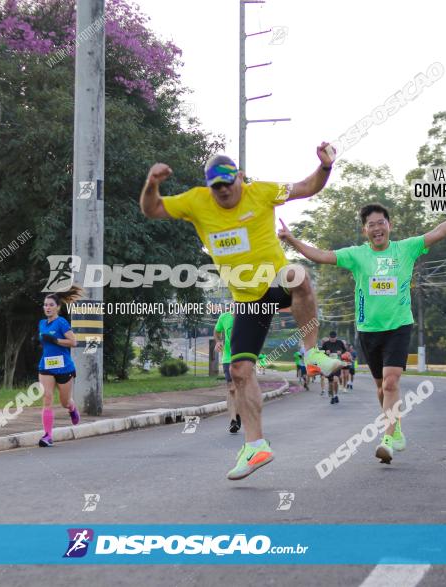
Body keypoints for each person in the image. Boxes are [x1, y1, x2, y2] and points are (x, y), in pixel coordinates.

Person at [140, 142, 343, 481]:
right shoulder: (196, 201)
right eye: (216, 187)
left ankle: (311, 353)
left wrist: (324, 167)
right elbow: (152, 209)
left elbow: (308, 187)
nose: (223, 192)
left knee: (301, 277)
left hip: (277, 281)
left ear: (240, 179)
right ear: (209, 188)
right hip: (248, 298)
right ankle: (255, 446)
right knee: (239, 371)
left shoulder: (261, 192)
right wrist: (152, 183)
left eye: (228, 184)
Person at [279, 203, 446, 464]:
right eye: (371, 225)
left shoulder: (406, 248)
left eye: (381, 222)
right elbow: (320, 255)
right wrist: (292, 240)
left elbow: (439, 232)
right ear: (365, 230)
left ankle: (387, 439)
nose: (377, 228)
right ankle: (396, 427)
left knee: (391, 383)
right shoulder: (357, 255)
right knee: (381, 388)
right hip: (369, 330)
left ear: (389, 225)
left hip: (399, 326)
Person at [37, 288, 84, 447]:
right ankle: (48, 436)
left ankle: (72, 408)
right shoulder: (42, 323)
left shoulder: (62, 322)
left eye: (51, 305)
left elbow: (73, 342)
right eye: (45, 305)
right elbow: (45, 342)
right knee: (47, 398)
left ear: (57, 307)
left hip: (64, 367)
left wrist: (56, 340)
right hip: (46, 366)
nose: (47, 308)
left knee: (64, 402)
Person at [214, 311, 241, 433]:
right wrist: (218, 341)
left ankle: (238, 412)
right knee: (231, 388)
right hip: (227, 358)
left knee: (240, 389)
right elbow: (216, 331)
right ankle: (233, 420)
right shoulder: (224, 317)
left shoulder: (248, 315)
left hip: (243, 357)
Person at [321, 331, 348, 403]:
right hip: (329, 365)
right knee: (330, 383)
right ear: (329, 337)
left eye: (334, 338)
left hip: (337, 364)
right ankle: (332, 397)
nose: (333, 339)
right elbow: (321, 352)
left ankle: (336, 395)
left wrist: (341, 352)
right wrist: (326, 352)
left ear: (336, 337)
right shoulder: (326, 344)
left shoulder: (340, 342)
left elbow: (345, 350)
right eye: (331, 338)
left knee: (335, 380)